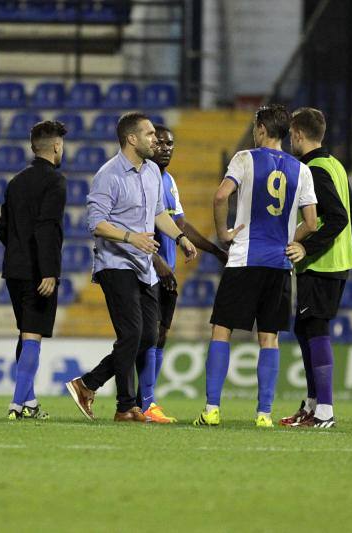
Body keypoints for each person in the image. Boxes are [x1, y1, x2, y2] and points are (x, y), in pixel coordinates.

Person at [65, 112, 197, 423]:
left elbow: (158, 212)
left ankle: (88, 384)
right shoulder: (108, 174)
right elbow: (95, 222)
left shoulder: (152, 171)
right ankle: (125, 407)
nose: (157, 139)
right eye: (150, 134)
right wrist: (130, 237)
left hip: (143, 266)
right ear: (132, 139)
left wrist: (180, 238)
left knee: (147, 335)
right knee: (133, 332)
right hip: (115, 263)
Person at [192, 104, 318, 428]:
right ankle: (264, 414)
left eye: (254, 125)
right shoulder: (301, 169)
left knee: (222, 331)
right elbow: (313, 221)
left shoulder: (245, 159)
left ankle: (212, 409)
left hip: (245, 258)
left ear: (262, 129)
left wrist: (223, 233)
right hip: (279, 262)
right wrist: (294, 240)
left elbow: (221, 197)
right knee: (269, 338)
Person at [138, 124, 227, 424]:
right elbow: (138, 224)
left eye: (171, 144)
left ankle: (147, 401)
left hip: (167, 271)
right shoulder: (142, 177)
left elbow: (180, 225)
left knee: (161, 335)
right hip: (146, 269)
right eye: (160, 142)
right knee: (146, 337)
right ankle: (141, 402)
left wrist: (214, 250)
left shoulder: (169, 181)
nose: (166, 148)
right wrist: (156, 261)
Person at [278, 107, 352, 429]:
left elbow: (339, 216)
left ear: (297, 134)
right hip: (332, 261)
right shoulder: (334, 164)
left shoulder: (313, 169)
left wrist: (306, 246)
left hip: (323, 263)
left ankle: (324, 410)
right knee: (305, 328)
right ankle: (312, 404)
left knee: (316, 328)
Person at [0, 120, 68, 420]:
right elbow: (47, 228)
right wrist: (49, 271)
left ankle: (30, 402)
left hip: (14, 270)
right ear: (56, 146)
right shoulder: (55, 181)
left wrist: (17, 251)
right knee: (33, 335)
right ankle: (16, 403)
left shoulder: (16, 182)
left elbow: (3, 227)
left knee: (26, 334)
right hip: (39, 271)